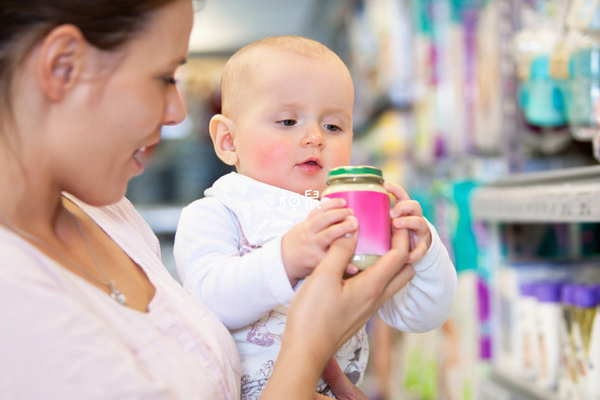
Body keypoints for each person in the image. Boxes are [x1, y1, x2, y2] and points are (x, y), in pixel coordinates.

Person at [0, 1, 418, 399]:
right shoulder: (15, 299)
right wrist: (307, 349)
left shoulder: (111, 216)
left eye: (332, 125)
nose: (178, 112)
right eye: (165, 77)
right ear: (63, 66)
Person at [174, 35, 458, 399]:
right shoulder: (218, 212)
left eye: (333, 127)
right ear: (228, 140)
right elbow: (205, 300)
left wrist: (424, 251)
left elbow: (420, 316)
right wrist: (286, 259)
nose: (315, 138)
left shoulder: (347, 216)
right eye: (288, 121)